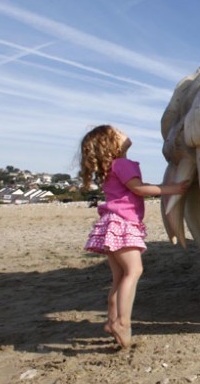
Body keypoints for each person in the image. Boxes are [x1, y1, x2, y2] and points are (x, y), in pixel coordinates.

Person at [78, 125, 189, 349]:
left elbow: (134, 188)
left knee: (119, 277)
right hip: (122, 224)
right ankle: (123, 322)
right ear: (111, 144)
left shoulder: (112, 169)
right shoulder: (123, 164)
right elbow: (139, 189)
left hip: (110, 223)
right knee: (134, 271)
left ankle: (111, 320)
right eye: (117, 132)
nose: (123, 132)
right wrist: (173, 189)